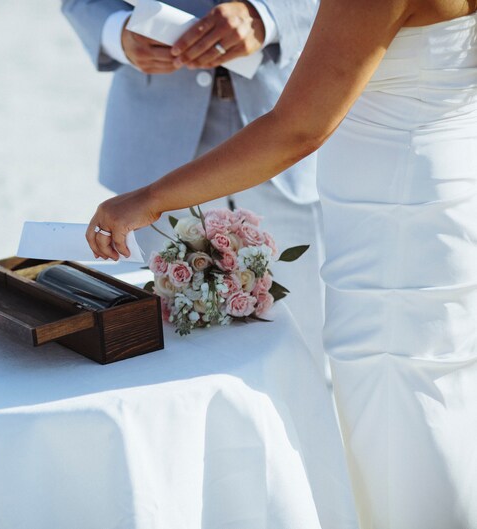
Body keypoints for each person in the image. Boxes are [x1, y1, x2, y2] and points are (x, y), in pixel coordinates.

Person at [86, 0, 477, 526]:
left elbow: (298, 128)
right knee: (435, 396)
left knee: (401, 412)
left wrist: (151, 199)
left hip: (396, 214)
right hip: (437, 188)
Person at [61, 0, 330, 377]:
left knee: (306, 336)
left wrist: (269, 16)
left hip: (286, 131)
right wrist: (116, 32)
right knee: (166, 336)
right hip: (156, 139)